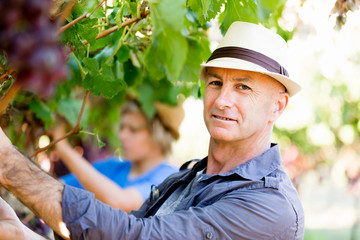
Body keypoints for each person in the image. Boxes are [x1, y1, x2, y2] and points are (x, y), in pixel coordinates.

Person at [0, 21, 304, 240]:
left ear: (278, 106)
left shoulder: (270, 207)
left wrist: (8, 164)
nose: (222, 100)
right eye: (215, 82)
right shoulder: (183, 179)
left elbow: (138, 236)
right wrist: (22, 235)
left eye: (243, 87)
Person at [50, 99, 182, 213]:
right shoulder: (111, 166)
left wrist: (61, 145)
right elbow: (56, 187)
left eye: (133, 129)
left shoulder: (170, 178)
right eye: (122, 128)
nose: (122, 136)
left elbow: (121, 203)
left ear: (158, 135)